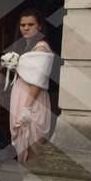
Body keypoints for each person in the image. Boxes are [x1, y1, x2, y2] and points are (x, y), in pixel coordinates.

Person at [9, 9, 55, 164]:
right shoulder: (27, 46)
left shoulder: (41, 47)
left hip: (32, 101)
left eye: (30, 24)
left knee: (31, 144)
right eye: (23, 25)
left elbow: (37, 81)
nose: (26, 28)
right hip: (23, 97)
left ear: (39, 26)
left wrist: (27, 108)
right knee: (25, 145)